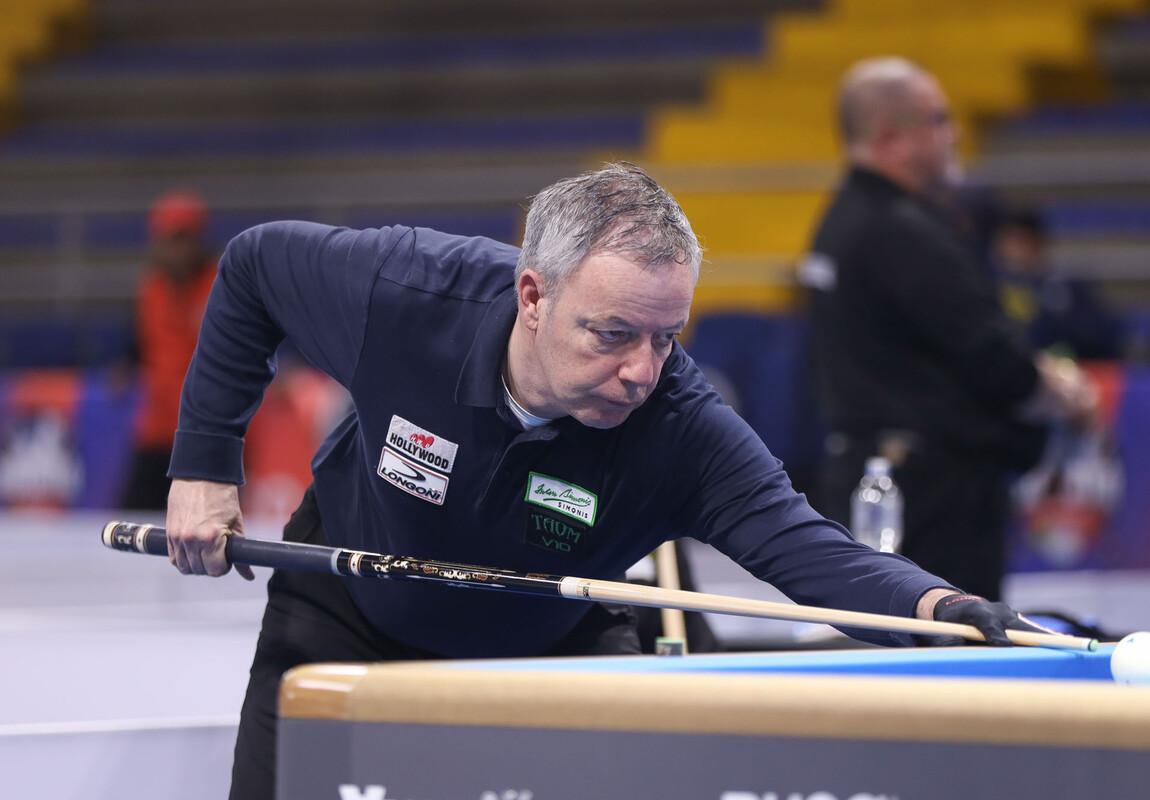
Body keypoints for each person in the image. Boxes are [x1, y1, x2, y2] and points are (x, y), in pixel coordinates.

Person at [163, 162, 1048, 799]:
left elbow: (808, 550)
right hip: (346, 606)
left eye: (667, 337)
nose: (640, 371)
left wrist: (941, 608)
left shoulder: (681, 428)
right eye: (614, 333)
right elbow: (250, 271)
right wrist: (204, 466)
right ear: (534, 295)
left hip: (547, 652)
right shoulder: (404, 293)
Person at [800, 58, 1098, 603]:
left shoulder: (842, 219)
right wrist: (1064, 391)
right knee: (950, 655)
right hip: (933, 497)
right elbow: (992, 358)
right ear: (891, 136)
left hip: (878, 474)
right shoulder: (902, 232)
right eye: (939, 118)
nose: (954, 133)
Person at [120, 190, 218, 510]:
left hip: (203, 431)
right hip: (157, 427)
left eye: (184, 238)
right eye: (170, 239)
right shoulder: (151, 287)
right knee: (128, 524)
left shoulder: (221, 284)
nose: (176, 248)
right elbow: (141, 345)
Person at [990, 207, 1122, 361]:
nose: (1013, 249)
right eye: (1007, 241)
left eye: (1021, 241)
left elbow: (1100, 336)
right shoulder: (989, 289)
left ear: (1037, 243)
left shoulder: (1067, 288)